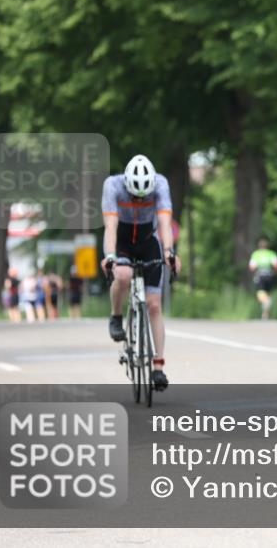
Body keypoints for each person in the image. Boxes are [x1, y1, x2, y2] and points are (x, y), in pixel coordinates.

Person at [101, 154, 180, 391]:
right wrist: (111, 257)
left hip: (147, 240)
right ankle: (116, 316)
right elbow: (111, 227)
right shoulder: (112, 186)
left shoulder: (161, 184)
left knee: (154, 305)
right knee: (123, 275)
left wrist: (169, 253)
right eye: (134, 195)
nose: (138, 199)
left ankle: (158, 367)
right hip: (122, 241)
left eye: (143, 197)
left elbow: (165, 225)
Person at [248, 238, 277, 319]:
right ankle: (265, 314)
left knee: (260, 295)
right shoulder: (272, 254)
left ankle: (267, 302)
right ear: (267, 247)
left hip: (260, 276)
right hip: (270, 276)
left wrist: (255, 272)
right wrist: (275, 272)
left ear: (259, 246)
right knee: (267, 293)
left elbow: (252, 267)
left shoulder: (256, 254)